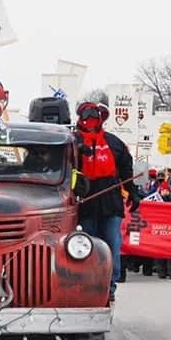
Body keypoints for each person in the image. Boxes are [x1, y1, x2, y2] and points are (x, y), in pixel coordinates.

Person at [73, 101, 141, 302]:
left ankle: (110, 285)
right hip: (85, 201)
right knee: (87, 245)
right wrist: (76, 152)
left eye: (95, 120)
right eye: (88, 120)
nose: (91, 123)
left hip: (110, 201)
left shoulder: (114, 142)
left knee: (112, 243)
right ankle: (87, 283)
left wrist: (133, 193)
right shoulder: (72, 141)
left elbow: (127, 170)